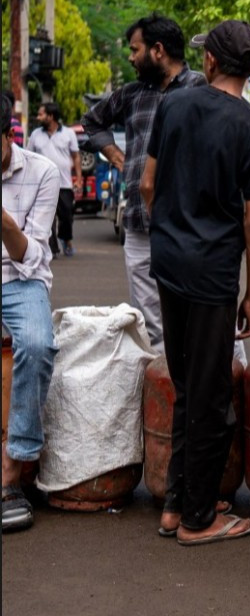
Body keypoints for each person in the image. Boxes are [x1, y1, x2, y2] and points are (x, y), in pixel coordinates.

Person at [141, 20, 250, 546]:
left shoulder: (173, 106)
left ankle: (178, 505)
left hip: (170, 265)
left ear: (211, 62)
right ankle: (199, 517)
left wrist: (170, 228)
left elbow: (148, 184)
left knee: (187, 387)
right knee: (212, 395)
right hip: (214, 274)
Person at [82, 14, 207, 349]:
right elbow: (92, 123)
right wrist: (121, 160)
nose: (130, 57)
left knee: (200, 309)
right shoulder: (132, 94)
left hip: (188, 222)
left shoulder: (201, 89)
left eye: (135, 49)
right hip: (139, 222)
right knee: (151, 319)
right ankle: (164, 389)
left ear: (158, 50)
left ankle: (212, 383)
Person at [1, 94, 59, 533]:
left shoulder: (43, 172)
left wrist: (3, 221)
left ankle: (13, 473)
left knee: (38, 344)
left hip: (19, 278)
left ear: (9, 135)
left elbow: (32, 257)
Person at [25, 102, 80, 258]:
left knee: (67, 216)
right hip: (42, 184)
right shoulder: (36, 134)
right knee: (48, 219)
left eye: (41, 114)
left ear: (51, 116)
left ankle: (66, 240)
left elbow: (76, 157)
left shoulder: (68, 133)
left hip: (64, 183)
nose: (38, 117)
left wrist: (79, 179)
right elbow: (29, 157)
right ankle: (52, 250)